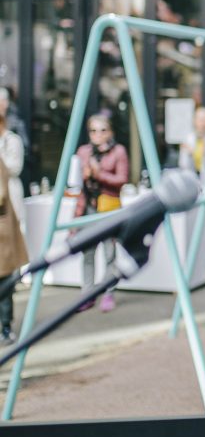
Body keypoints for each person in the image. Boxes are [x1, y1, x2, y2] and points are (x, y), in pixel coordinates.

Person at [75, 114, 129, 312]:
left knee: (109, 253)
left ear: (110, 132)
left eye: (103, 130)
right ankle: (87, 294)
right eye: (93, 131)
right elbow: (75, 180)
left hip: (109, 209)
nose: (98, 134)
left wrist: (99, 174)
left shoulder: (118, 151)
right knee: (87, 253)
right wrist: (84, 175)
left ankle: (108, 293)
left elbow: (122, 179)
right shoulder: (83, 152)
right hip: (88, 207)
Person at [0, 109, 28, 345]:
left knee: (4, 275)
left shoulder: (12, 141)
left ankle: (6, 327)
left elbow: (13, 169)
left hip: (5, 220)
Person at [178, 106, 205, 179]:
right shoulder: (188, 138)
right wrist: (190, 155)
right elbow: (183, 165)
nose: (203, 123)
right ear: (194, 121)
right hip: (192, 179)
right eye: (201, 120)